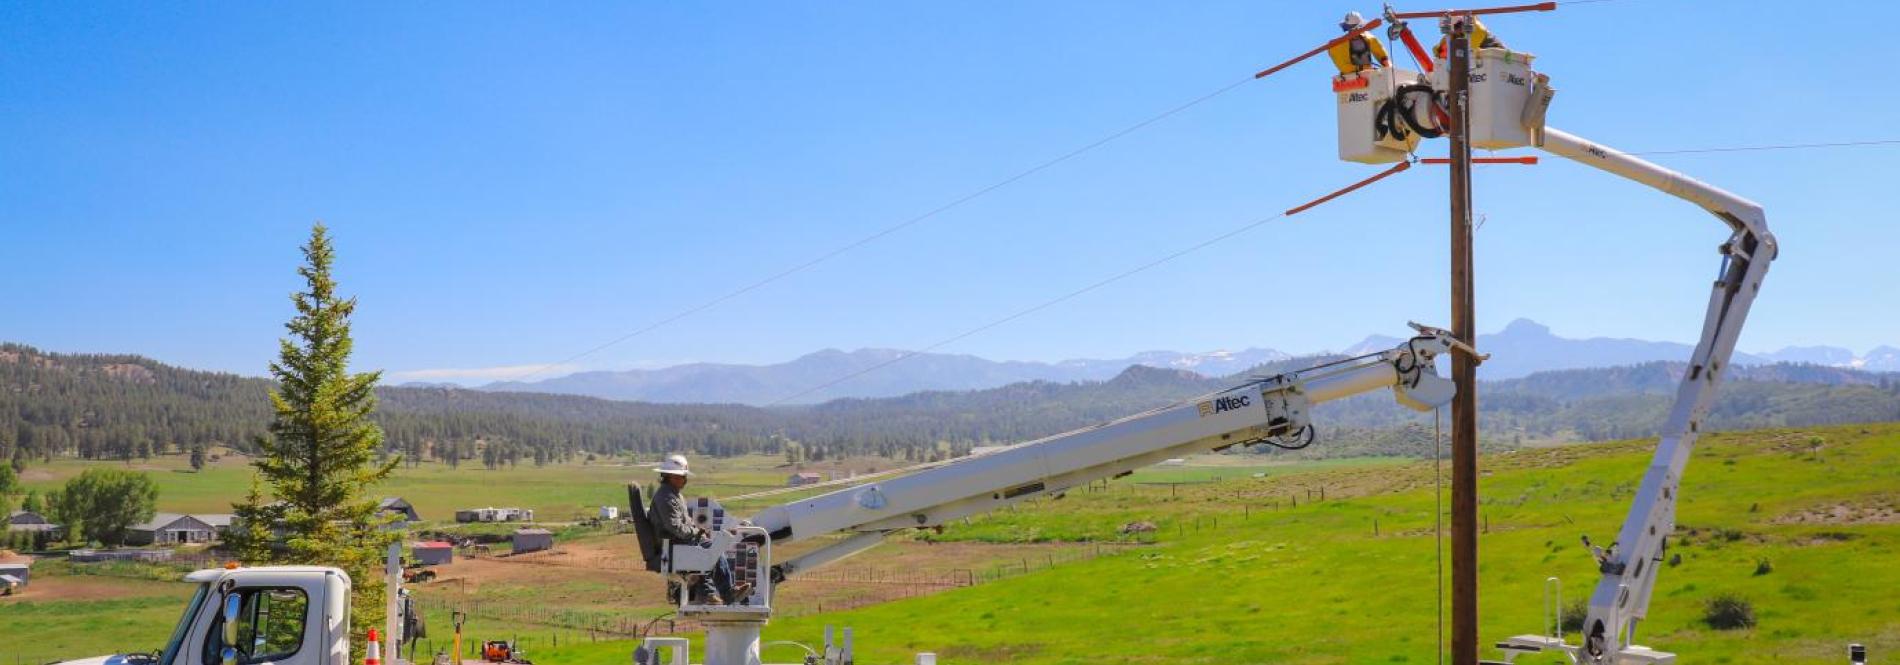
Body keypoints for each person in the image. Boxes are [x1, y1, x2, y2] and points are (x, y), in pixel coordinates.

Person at [648, 454, 749, 604]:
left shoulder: (674, 496)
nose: (682, 480)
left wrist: (698, 533)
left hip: (676, 543)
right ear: (668, 476)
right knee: (713, 551)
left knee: (706, 552)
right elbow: (674, 526)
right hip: (672, 545)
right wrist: (697, 533)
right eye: (678, 476)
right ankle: (728, 593)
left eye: (682, 476)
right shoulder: (666, 497)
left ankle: (709, 594)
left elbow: (686, 524)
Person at [1329, 11, 1390, 76]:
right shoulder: (1336, 45)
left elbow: (1382, 56)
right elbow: (1343, 67)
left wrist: (1388, 68)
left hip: (1364, 75)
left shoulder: (1368, 38)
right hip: (1351, 78)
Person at [1432, 16, 1504, 59]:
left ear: (1461, 23)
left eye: (1456, 27)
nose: (1454, 31)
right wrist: (1439, 51)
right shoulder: (1454, 33)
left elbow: (1469, 52)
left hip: (1497, 57)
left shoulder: (1477, 29)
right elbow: (1439, 47)